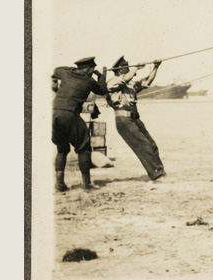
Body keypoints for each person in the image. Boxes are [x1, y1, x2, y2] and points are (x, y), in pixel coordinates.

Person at [105, 56, 167, 183]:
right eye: (126, 67)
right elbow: (125, 79)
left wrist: (156, 67)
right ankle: (156, 176)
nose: (129, 69)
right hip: (124, 120)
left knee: (152, 145)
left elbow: (147, 82)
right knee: (144, 146)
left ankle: (159, 172)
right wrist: (136, 68)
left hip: (134, 118)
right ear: (121, 70)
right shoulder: (112, 82)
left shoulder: (130, 83)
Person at [51, 56, 108, 191]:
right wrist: (100, 76)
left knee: (62, 148)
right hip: (70, 113)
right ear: (88, 69)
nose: (93, 71)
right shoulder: (89, 80)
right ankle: (87, 184)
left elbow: (56, 70)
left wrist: (71, 71)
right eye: (92, 69)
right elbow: (102, 90)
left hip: (53, 113)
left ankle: (59, 184)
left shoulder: (65, 73)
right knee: (84, 148)